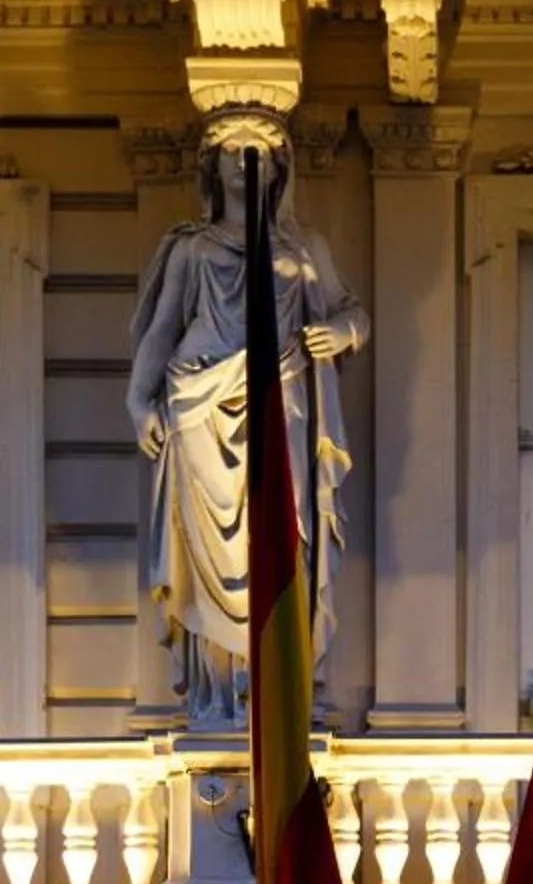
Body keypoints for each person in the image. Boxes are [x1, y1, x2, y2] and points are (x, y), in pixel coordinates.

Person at [126, 116, 367, 729]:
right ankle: (216, 698)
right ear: (213, 164)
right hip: (197, 403)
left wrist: (341, 331)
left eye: (256, 150)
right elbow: (159, 334)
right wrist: (137, 401)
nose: (243, 161)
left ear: (279, 164)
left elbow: (350, 312)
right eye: (232, 149)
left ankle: (274, 688)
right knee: (206, 558)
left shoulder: (303, 248)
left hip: (281, 393)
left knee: (285, 536)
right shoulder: (191, 248)